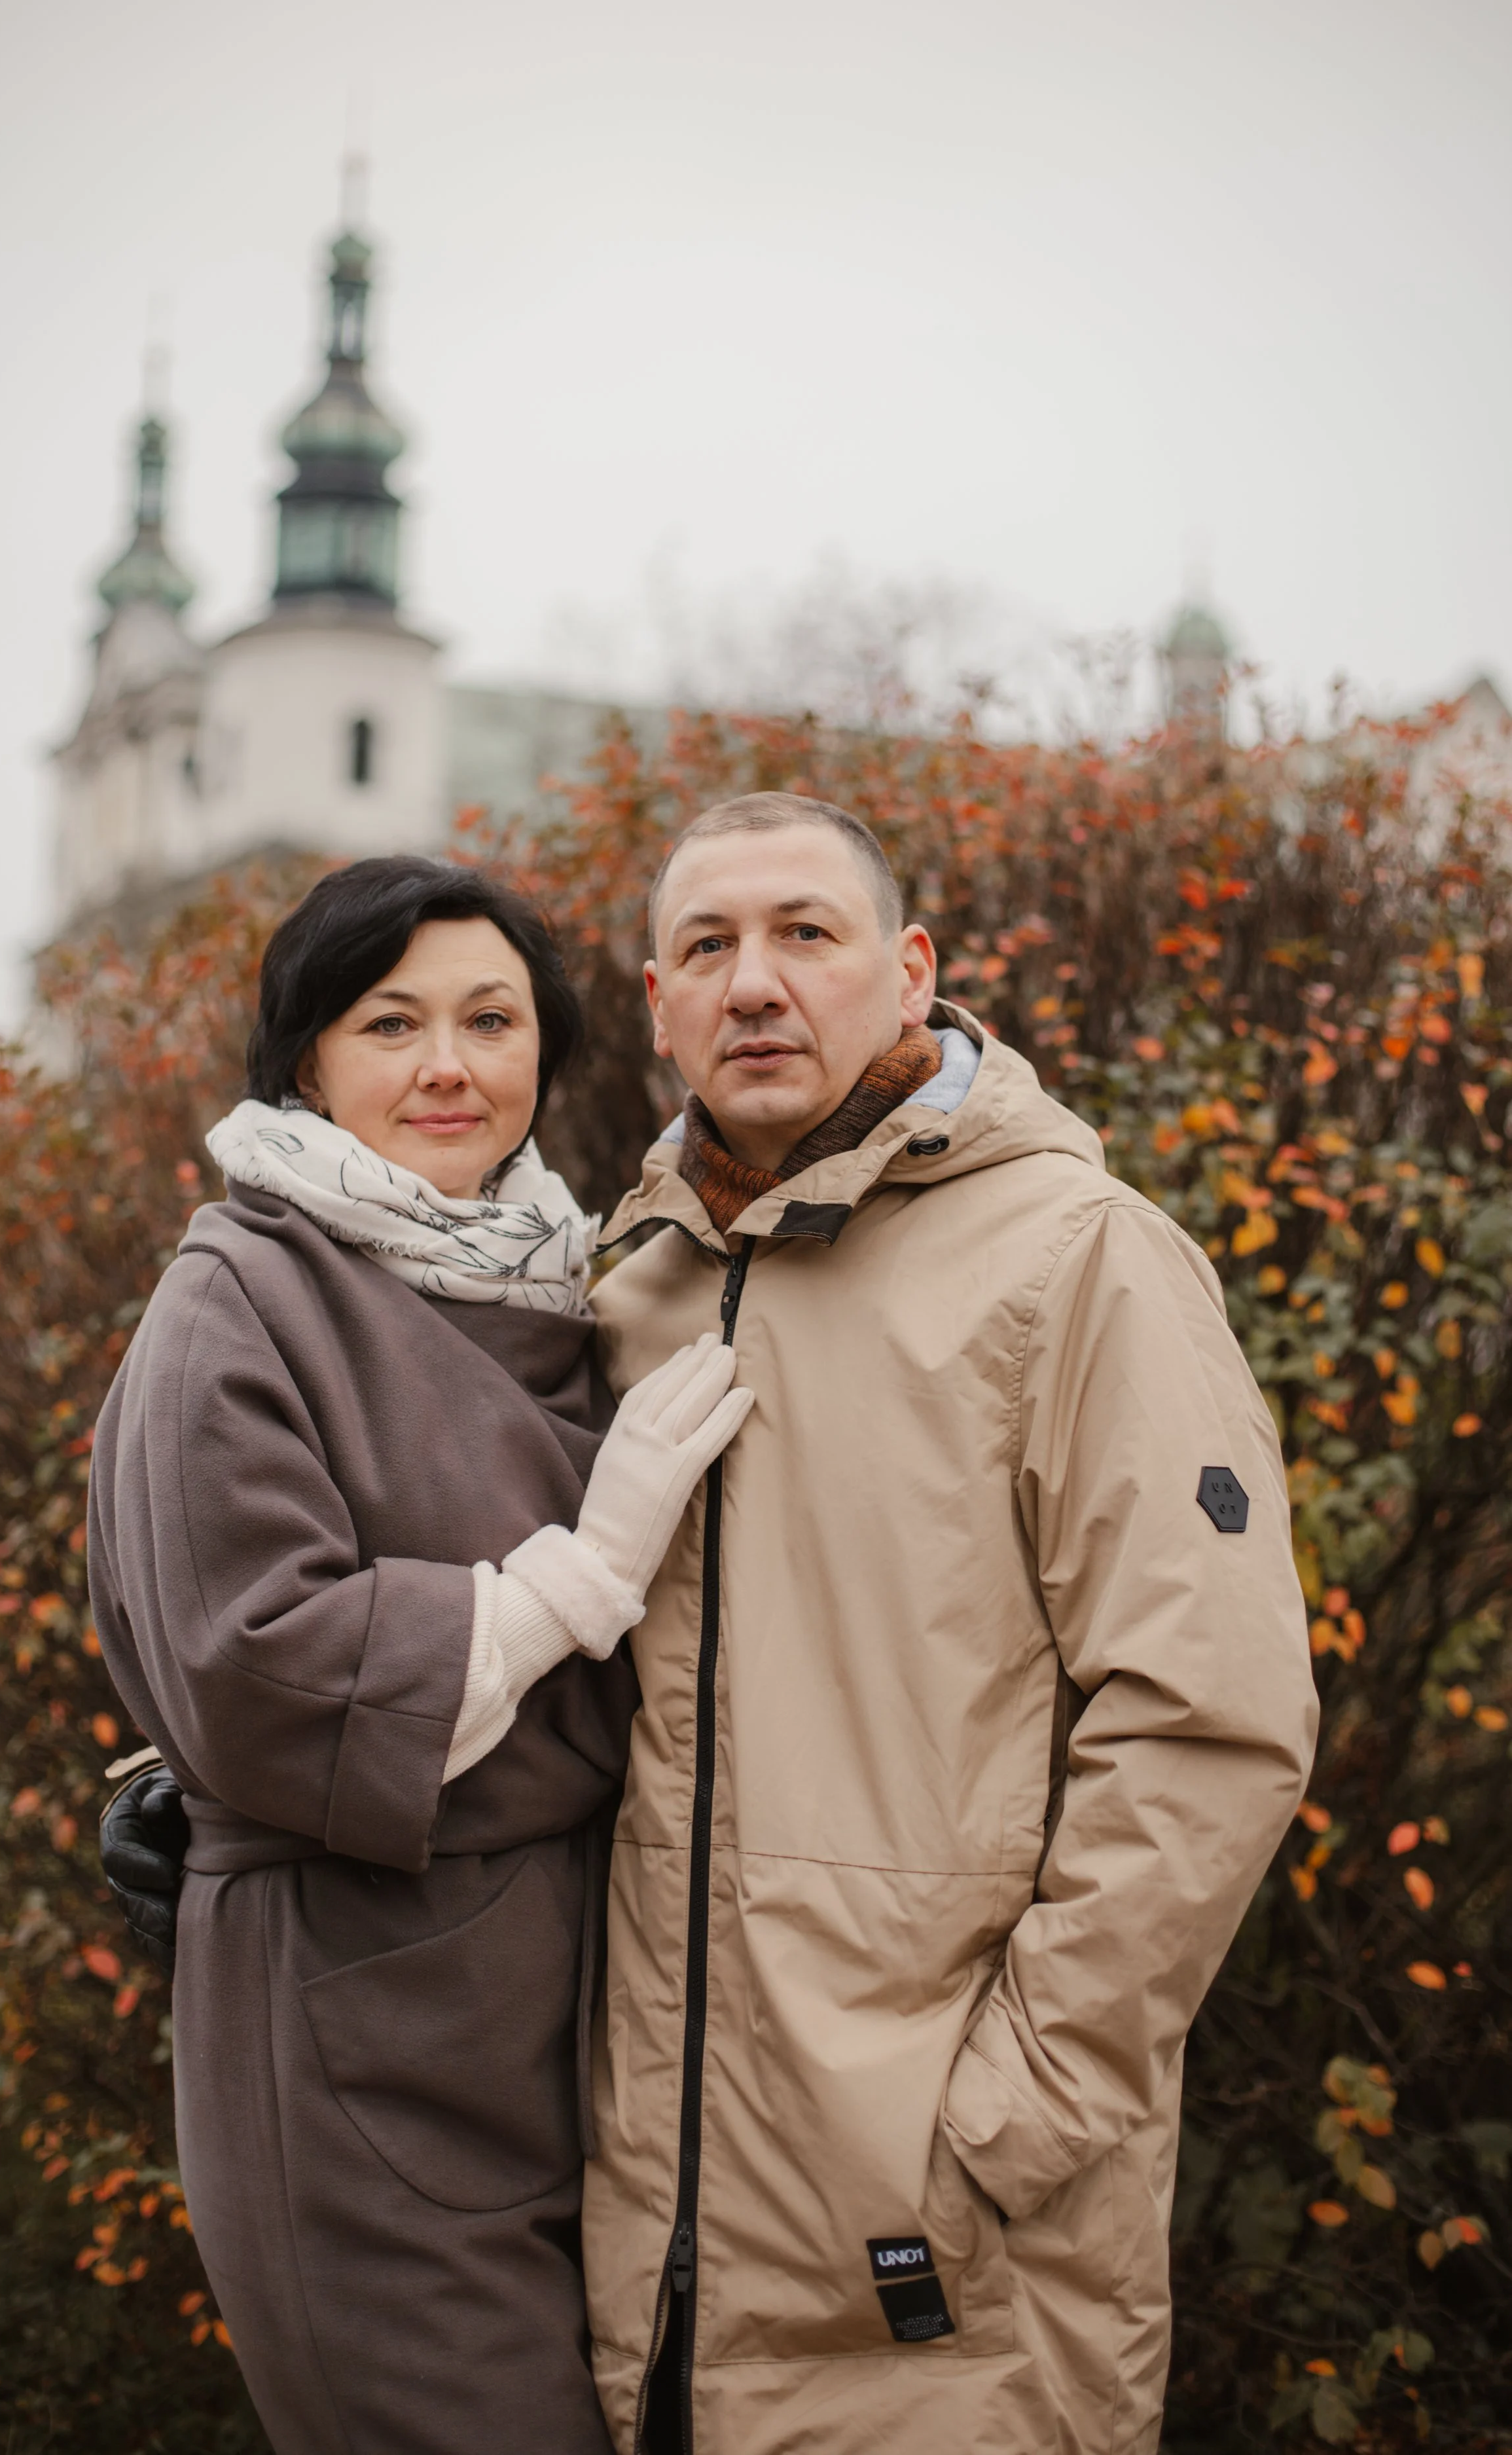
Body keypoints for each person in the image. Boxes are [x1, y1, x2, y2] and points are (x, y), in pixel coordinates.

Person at [581, 792, 1319, 2454]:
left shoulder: (1081, 1263)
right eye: (707, 947)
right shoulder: (627, 1286)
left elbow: (1209, 1729)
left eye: (804, 935)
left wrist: (1006, 2120)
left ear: (908, 974)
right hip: (654, 2241)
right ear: (658, 1003)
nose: (753, 984)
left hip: (942, 2257)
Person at [87, 855, 750, 2455]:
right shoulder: (237, 1298)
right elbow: (255, 1671)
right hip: (354, 2039)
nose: (448, 1065)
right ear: (304, 1058)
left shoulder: (559, 1280)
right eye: (391, 1022)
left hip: (575, 2029)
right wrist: (581, 1571)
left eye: (491, 1019)